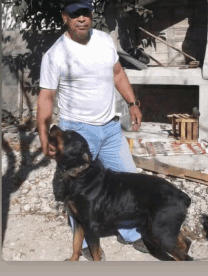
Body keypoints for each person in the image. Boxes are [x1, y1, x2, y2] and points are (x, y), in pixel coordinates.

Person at [37, 0, 148, 261]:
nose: (81, 19)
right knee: (79, 191)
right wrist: (44, 137)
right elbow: (46, 98)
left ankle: (130, 232)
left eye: (85, 13)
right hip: (77, 131)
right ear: (65, 17)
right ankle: (86, 241)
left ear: (91, 14)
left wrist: (133, 103)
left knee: (126, 181)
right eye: (75, 14)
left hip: (109, 127)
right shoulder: (55, 54)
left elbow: (117, 72)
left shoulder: (104, 40)